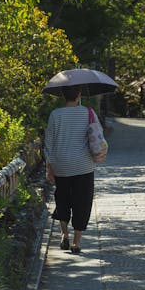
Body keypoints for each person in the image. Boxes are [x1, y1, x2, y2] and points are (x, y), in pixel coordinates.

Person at [44, 85, 100, 255]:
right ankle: (76, 242)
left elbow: (49, 143)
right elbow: (97, 136)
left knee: (62, 199)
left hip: (61, 164)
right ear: (79, 95)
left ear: (63, 96)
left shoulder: (55, 115)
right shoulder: (88, 112)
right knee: (82, 202)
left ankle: (63, 234)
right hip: (83, 165)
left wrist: (49, 167)